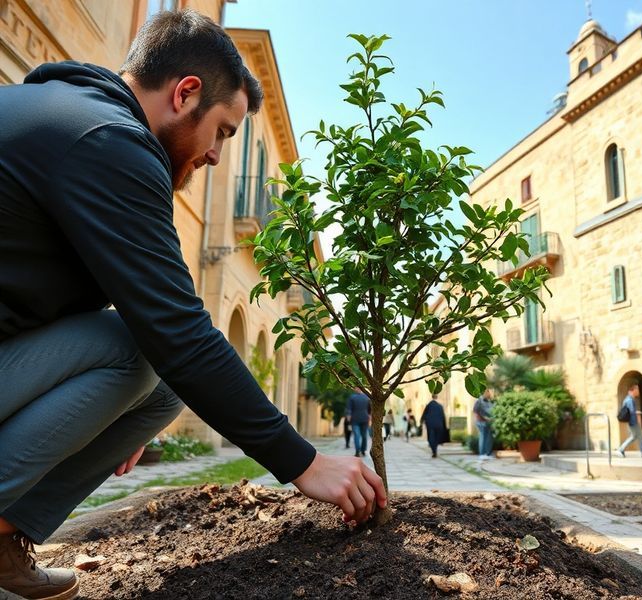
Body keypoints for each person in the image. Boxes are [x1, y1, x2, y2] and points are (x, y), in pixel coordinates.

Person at [0, 11, 386, 600]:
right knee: (147, 353)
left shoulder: (64, 112)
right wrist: (305, 463)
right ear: (185, 94)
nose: (215, 156)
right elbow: (179, 333)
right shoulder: (108, 144)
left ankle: (6, 537)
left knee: (154, 376)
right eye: (225, 132)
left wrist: (109, 409)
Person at [616, 383, 642, 458]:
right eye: (637, 390)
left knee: (638, 436)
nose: (638, 392)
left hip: (632, 421)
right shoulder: (629, 400)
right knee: (634, 436)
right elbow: (632, 412)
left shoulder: (629, 399)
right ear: (633, 390)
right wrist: (639, 419)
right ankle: (621, 449)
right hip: (633, 421)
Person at [346, 388, 371, 457]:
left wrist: (348, 417)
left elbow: (349, 409)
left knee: (357, 435)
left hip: (355, 419)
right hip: (365, 418)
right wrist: (369, 417)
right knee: (364, 435)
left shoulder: (352, 397)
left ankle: (357, 451)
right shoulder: (366, 397)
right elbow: (369, 410)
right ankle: (363, 450)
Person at [472, 388, 495, 459]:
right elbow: (475, 411)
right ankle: (482, 454)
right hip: (481, 422)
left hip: (489, 422)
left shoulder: (489, 401)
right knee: (483, 437)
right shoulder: (479, 401)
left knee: (489, 438)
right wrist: (484, 418)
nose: (489, 394)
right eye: (488, 392)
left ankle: (488, 454)